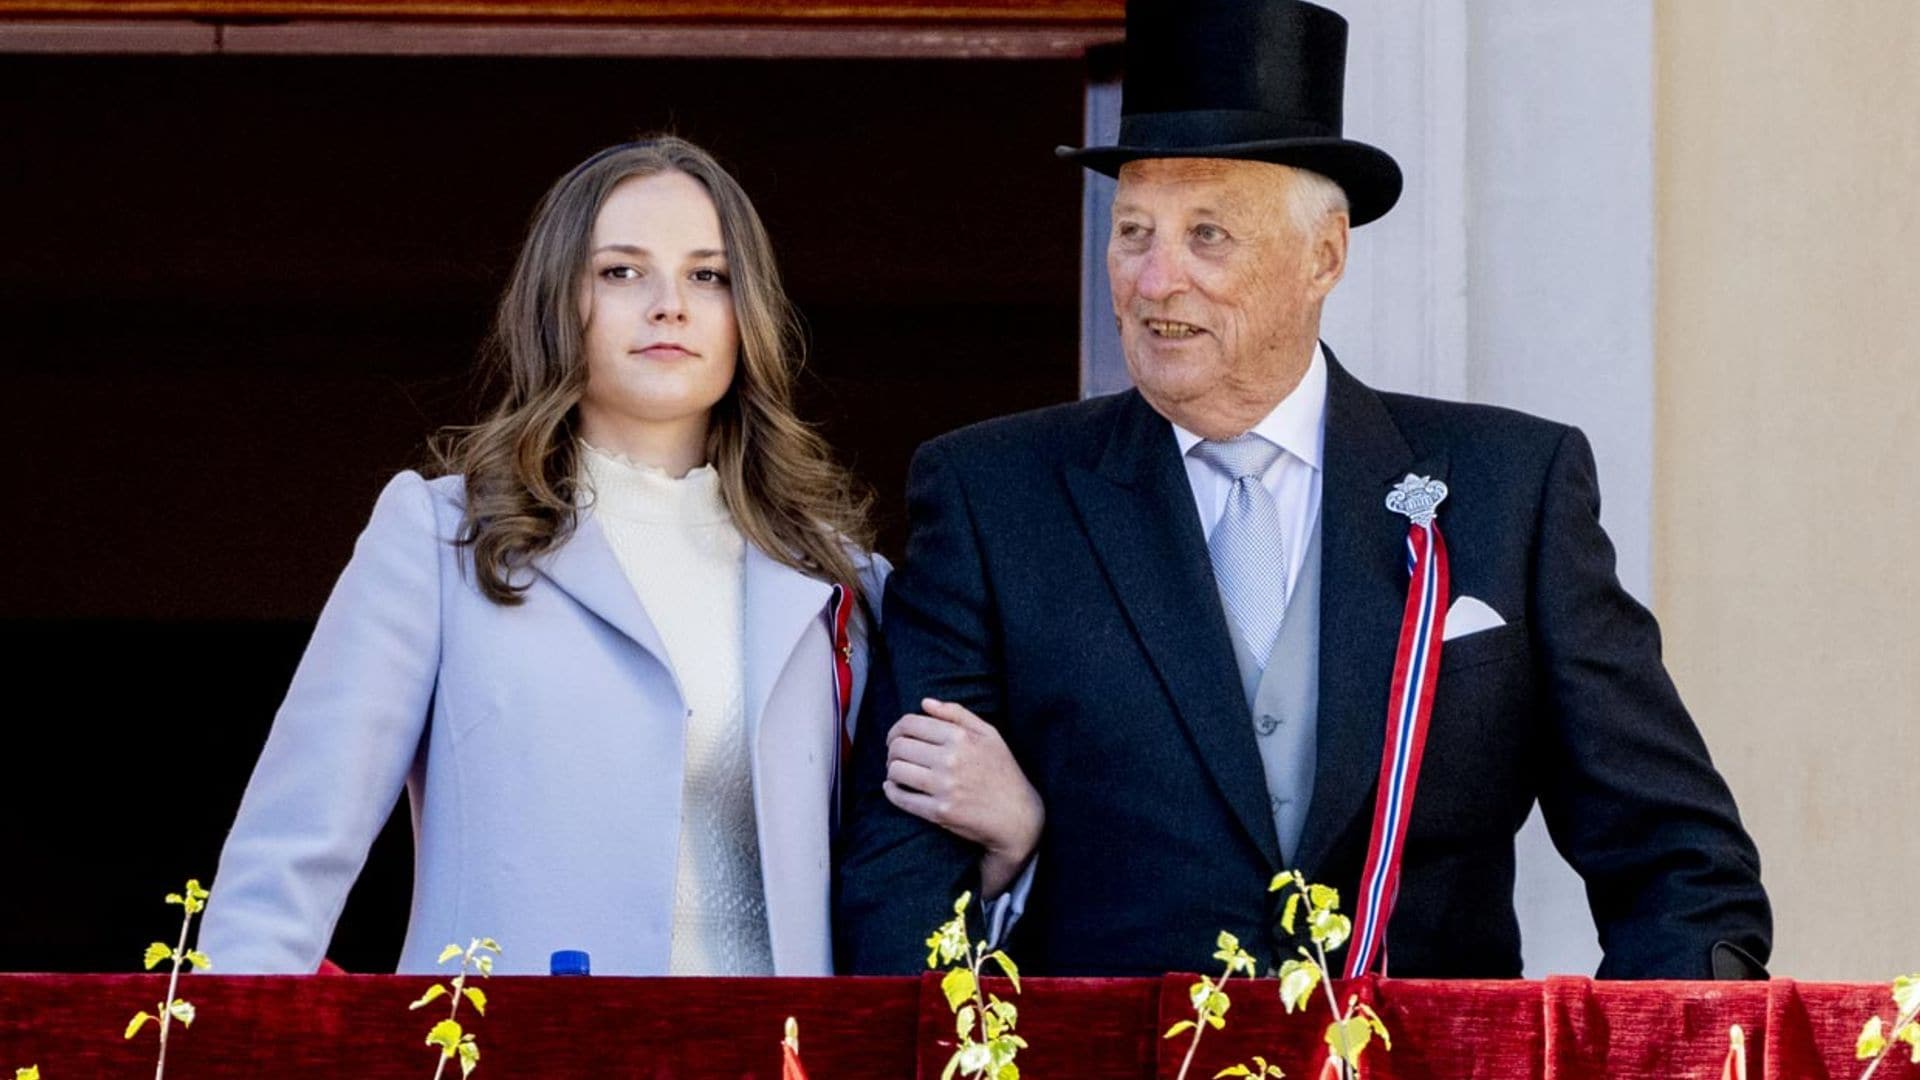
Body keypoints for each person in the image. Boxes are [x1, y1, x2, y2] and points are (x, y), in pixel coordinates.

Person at [837, 0, 1771, 979]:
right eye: (1133, 232)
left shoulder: (1511, 488)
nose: (1155, 281)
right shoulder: (992, 497)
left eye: (1209, 235)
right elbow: (903, 876)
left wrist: (1652, 1045)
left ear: (1324, 255)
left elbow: (1681, 866)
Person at [199, 136, 1034, 976]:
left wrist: (1011, 836)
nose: (669, 304)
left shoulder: (838, 583)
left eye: (708, 275)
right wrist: (232, 1045)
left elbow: (902, 895)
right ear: (558, 301)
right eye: (621, 271)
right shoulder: (440, 538)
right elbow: (290, 857)